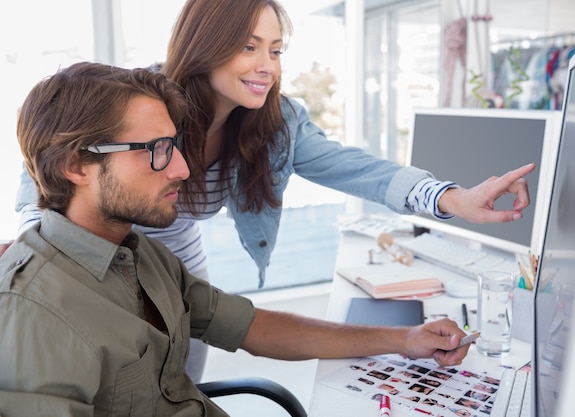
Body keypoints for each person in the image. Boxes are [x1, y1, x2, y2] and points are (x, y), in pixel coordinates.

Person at [6, 0, 535, 382]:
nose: (267, 65)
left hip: (171, 256)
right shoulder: (143, 100)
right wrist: (41, 248)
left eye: (276, 50)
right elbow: (54, 157)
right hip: (93, 252)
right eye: (248, 46)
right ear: (205, 45)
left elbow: (353, 169)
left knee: (173, 384)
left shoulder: (276, 123)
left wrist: (451, 199)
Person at [0, 61, 471, 416]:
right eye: (157, 151)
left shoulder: (145, 257)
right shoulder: (32, 313)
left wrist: (405, 339)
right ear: (75, 165)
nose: (184, 170)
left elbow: (256, 328)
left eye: (176, 145)